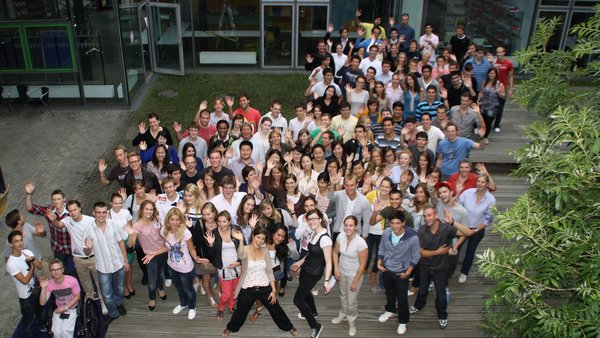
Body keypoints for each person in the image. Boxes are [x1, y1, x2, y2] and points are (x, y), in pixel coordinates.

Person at [221, 226, 297, 337]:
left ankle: (288, 326)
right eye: (258, 237)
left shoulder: (265, 251)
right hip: (248, 288)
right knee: (240, 312)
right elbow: (241, 255)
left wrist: (274, 290)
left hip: (264, 287)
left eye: (263, 239)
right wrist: (241, 239)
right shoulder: (245, 249)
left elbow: (269, 271)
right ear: (253, 236)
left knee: (276, 309)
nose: (260, 241)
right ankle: (231, 328)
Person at [144, 208, 205, 320]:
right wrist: (154, 253)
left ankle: (192, 306)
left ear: (181, 220)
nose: (174, 222)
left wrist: (196, 258)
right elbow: (167, 247)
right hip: (171, 266)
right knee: (179, 288)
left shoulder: (186, 233)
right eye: (172, 219)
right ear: (168, 220)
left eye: (177, 220)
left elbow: (191, 249)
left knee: (188, 289)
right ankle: (183, 303)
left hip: (186, 268)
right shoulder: (164, 231)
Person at [409, 205, 456, 330]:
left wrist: (453, 223)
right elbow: (421, 252)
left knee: (440, 294)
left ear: (436, 216)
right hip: (425, 266)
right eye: (425, 216)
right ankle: (418, 306)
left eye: (429, 215)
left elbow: (467, 233)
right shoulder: (422, 230)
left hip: (441, 268)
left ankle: (442, 315)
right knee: (422, 289)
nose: (427, 218)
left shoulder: (447, 229)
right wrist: (438, 252)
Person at [49, 200, 103, 309]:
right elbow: (59, 225)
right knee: (85, 281)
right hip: (78, 258)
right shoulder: (68, 220)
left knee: (99, 281)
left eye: (74, 210)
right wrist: (53, 220)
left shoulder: (91, 221)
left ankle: (103, 301)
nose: (73, 213)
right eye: (70, 211)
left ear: (80, 208)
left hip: (94, 257)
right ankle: (90, 298)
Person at [83, 201, 129, 326]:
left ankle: (119, 304)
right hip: (102, 268)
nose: (101, 215)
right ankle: (113, 313)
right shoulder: (88, 229)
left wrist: (126, 261)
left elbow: (121, 243)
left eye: (104, 212)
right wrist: (88, 248)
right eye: (98, 212)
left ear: (107, 212)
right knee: (107, 295)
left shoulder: (114, 224)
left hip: (118, 264)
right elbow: (87, 252)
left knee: (119, 289)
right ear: (94, 213)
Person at [376, 210, 420, 336]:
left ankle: (403, 320)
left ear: (403, 223)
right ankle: (390, 310)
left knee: (402, 298)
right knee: (389, 292)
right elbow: (382, 247)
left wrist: (408, 272)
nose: (395, 226)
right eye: (392, 223)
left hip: (402, 272)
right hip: (386, 269)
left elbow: (416, 256)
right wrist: (379, 262)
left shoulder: (412, 237)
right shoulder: (386, 232)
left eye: (398, 223)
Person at [291, 209, 332, 338]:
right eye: (310, 219)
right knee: (306, 291)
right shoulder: (314, 233)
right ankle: (313, 312)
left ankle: (315, 326)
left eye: (315, 218)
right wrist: (300, 263)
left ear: (320, 219)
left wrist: (326, 281)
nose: (312, 221)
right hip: (306, 268)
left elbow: (328, 261)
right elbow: (311, 253)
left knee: (297, 300)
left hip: (314, 273)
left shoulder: (325, 239)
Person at [24, 181, 74, 275]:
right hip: (57, 248)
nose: (56, 201)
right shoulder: (49, 211)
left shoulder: (71, 211)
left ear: (64, 199)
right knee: (61, 272)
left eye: (59, 199)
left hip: (72, 247)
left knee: (76, 271)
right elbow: (30, 208)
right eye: (54, 199)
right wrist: (28, 194)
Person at [331, 215, 368, 336]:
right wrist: (336, 269)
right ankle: (342, 313)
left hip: (354, 275)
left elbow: (363, 265)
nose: (348, 228)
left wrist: (355, 281)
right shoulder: (341, 236)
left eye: (351, 225)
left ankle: (352, 322)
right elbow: (335, 252)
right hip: (342, 272)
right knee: (343, 295)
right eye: (346, 225)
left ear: (356, 226)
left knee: (352, 301)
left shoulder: (361, 243)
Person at [457, 174, 495, 284]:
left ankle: (464, 272)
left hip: (478, 228)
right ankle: (449, 270)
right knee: (456, 248)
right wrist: (458, 192)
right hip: (463, 226)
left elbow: (488, 219)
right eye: (478, 181)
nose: (480, 184)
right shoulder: (468, 193)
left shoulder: (491, 199)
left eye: (483, 182)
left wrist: (475, 230)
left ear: (487, 184)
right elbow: (458, 205)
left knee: (470, 251)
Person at [206, 210, 244, 321]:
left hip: (237, 266)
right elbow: (212, 254)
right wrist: (211, 244)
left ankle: (231, 306)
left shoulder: (236, 230)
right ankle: (221, 308)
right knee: (226, 294)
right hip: (223, 268)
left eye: (224, 221)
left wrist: (239, 262)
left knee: (235, 291)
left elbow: (243, 248)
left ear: (229, 221)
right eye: (219, 221)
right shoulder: (214, 233)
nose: (221, 224)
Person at [130, 200, 167, 311]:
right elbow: (131, 244)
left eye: (151, 209)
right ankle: (152, 298)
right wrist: (130, 233)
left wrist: (162, 225)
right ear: (142, 210)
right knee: (151, 282)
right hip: (149, 256)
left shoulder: (156, 219)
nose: (149, 211)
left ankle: (160, 288)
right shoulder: (137, 225)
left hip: (162, 251)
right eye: (147, 209)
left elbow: (163, 234)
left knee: (160, 274)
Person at [6, 230, 43, 338]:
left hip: (36, 287)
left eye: (21, 240)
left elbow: (40, 266)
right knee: (28, 319)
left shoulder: (27, 252)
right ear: (11, 244)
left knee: (39, 308)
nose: (20, 243)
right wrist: (32, 267)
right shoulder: (11, 263)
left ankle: (42, 325)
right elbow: (25, 280)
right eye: (16, 241)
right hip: (25, 296)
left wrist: (32, 260)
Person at [39, 259, 81, 338]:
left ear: (62, 270)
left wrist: (66, 308)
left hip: (72, 308)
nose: (56, 272)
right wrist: (43, 288)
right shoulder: (50, 283)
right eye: (53, 270)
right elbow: (42, 303)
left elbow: (78, 297)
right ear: (50, 272)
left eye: (58, 269)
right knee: (56, 332)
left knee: (66, 331)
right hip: (59, 308)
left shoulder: (72, 281)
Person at [330, 175, 373, 240]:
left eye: (352, 185)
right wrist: (332, 184)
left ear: (357, 185)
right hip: (339, 232)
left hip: (355, 235)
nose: (349, 188)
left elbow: (366, 221)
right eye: (347, 185)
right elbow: (330, 196)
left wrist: (364, 237)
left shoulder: (364, 201)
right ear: (344, 185)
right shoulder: (340, 195)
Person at [478, 67, 506, 144]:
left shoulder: (499, 84)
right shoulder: (484, 82)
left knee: (488, 121)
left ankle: (485, 137)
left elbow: (503, 96)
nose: (491, 75)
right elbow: (481, 92)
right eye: (490, 73)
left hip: (493, 106)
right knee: (482, 121)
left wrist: (498, 92)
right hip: (484, 105)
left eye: (493, 73)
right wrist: (478, 100)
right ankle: (482, 135)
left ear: (496, 74)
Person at [493, 46, 514, 133]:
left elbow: (510, 76)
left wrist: (510, 89)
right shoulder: (493, 62)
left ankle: (497, 124)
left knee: (500, 107)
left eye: (501, 52)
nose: (499, 54)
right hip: (492, 87)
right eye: (498, 52)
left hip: (503, 88)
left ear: (504, 53)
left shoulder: (508, 63)